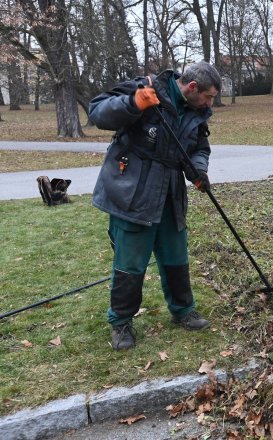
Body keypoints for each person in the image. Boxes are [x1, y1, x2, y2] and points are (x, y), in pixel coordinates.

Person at [89, 61, 221, 350]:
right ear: (192, 87)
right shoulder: (146, 88)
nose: (211, 103)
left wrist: (197, 170)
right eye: (209, 96)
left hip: (171, 192)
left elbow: (199, 147)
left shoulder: (196, 111)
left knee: (175, 254)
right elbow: (97, 112)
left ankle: (183, 311)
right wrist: (132, 103)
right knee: (131, 261)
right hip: (134, 191)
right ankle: (121, 322)